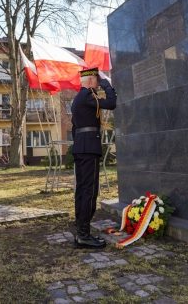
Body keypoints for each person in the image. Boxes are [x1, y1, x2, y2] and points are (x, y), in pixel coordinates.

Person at [71, 67, 117, 249]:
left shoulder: (78, 98)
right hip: (89, 148)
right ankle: (83, 235)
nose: (98, 83)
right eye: (97, 80)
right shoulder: (87, 96)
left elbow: (75, 128)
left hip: (82, 146)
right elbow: (112, 103)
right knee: (89, 191)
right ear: (90, 81)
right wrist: (107, 84)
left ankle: (81, 228)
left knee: (82, 190)